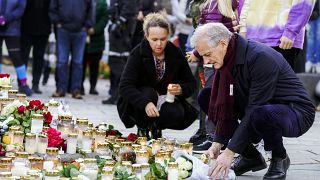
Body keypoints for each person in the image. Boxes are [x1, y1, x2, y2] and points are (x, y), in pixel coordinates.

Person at [191, 23, 315, 179]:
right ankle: (251, 157)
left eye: (208, 54)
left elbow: (255, 107)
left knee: (260, 113)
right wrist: (218, 143)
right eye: (202, 56)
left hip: (296, 112)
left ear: (223, 43)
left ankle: (280, 157)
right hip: (260, 108)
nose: (206, 61)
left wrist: (229, 153)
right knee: (207, 97)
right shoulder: (227, 56)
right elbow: (223, 104)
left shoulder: (260, 57)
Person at [117, 13, 198, 139]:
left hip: (165, 99)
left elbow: (192, 84)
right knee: (148, 93)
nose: (159, 44)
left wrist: (181, 89)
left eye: (163, 39)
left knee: (176, 113)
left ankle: (156, 127)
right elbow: (125, 86)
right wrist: (145, 103)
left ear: (168, 36)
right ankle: (143, 127)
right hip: (140, 100)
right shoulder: (137, 53)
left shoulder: (175, 53)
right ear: (147, 36)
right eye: (154, 39)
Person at [187, 0, 239, 152]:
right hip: (224, 57)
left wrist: (197, 53)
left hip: (212, 60)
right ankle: (219, 136)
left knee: (211, 98)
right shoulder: (227, 3)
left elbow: (210, 36)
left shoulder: (214, 4)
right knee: (219, 98)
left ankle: (213, 137)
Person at [239, 0, 315, 72]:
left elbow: (304, 2)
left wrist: (290, 31)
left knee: (280, 84)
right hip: (252, 38)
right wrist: (243, 28)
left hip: (282, 40)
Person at [49, 0, 95, 99]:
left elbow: (91, 8)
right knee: (62, 62)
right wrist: (57, 22)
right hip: (63, 30)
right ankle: (61, 89)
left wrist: (87, 25)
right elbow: (52, 7)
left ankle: (76, 90)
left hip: (80, 31)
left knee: (78, 63)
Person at [101, 0, 139, 104]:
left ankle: (121, 95)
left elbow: (130, 6)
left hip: (122, 30)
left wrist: (119, 22)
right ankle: (116, 94)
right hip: (119, 28)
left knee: (118, 62)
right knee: (116, 62)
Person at [0, 0, 33, 96]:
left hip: (12, 29)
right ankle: (1, 84)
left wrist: (6, 18)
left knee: (15, 56)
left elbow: (21, 9)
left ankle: (23, 84)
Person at [21, 0, 51, 94]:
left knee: (39, 58)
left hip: (43, 31)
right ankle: (22, 83)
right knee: (23, 57)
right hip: (26, 29)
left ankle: (36, 84)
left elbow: (52, 9)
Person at [81, 0, 108, 95]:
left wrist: (95, 29)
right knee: (82, 64)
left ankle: (93, 87)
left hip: (97, 40)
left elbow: (104, 19)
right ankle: (80, 86)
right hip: (83, 36)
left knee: (94, 65)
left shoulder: (102, 3)